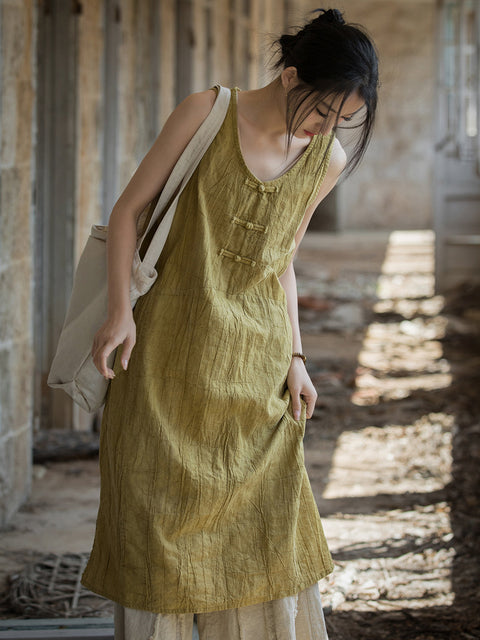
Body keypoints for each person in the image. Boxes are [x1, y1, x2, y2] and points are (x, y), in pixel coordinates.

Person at [81, 7, 379, 639]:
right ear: (293, 75)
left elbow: (283, 262)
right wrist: (118, 313)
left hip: (256, 376)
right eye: (324, 110)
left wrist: (297, 360)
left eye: (342, 119)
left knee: (263, 538)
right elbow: (129, 209)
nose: (328, 128)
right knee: (153, 530)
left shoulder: (323, 158)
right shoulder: (208, 112)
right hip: (160, 359)